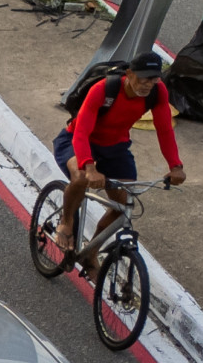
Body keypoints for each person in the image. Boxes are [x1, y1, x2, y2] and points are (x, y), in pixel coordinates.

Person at [52, 51, 186, 258]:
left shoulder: (157, 92)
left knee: (123, 207)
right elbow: (81, 132)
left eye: (154, 78)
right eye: (143, 78)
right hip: (76, 141)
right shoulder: (104, 89)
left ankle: (90, 254)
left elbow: (165, 130)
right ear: (130, 74)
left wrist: (176, 166)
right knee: (80, 176)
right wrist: (89, 166)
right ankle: (66, 222)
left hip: (115, 148)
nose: (148, 84)